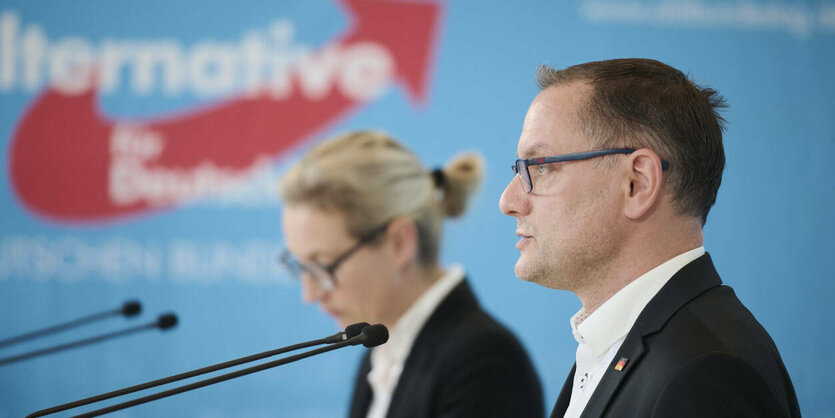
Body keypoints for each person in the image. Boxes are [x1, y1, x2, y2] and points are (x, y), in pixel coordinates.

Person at [499, 59, 801, 418]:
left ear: (637, 183)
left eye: (541, 167)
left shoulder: (704, 373)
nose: (509, 201)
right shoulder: (623, 346)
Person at [279, 131, 544, 418]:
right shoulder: (380, 351)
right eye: (302, 268)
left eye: (323, 267)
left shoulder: (484, 365)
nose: (311, 294)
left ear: (399, 243)